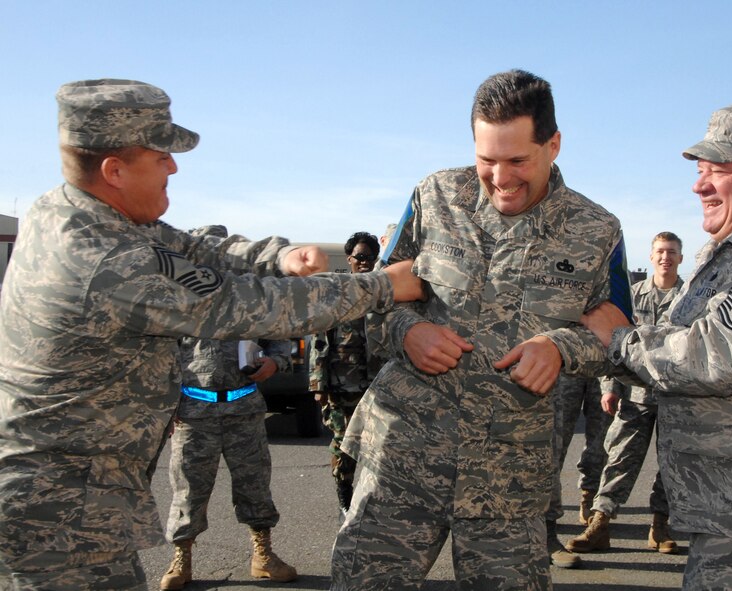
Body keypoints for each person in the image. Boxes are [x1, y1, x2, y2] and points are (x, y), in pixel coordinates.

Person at [0, 78, 423, 591]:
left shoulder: (72, 212)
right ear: (114, 171)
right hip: (58, 514)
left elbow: (190, 245)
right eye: (161, 157)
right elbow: (243, 306)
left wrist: (277, 256)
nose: (173, 167)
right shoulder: (107, 262)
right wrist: (379, 287)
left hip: (74, 495)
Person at [330, 69, 633, 591]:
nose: (500, 177)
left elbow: (621, 338)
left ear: (553, 145)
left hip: (508, 478)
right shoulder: (435, 195)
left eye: (518, 160)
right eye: (486, 159)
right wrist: (406, 331)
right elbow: (379, 295)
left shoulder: (596, 229)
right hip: (403, 456)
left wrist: (560, 348)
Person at [582, 104, 732, 590]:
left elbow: (714, 358)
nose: (699, 185)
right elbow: (672, 353)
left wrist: (618, 339)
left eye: (717, 171)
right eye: (700, 171)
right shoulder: (730, 254)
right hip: (730, 507)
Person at [160, 225, 295, 591]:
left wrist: (274, 364)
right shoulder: (174, 300)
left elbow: (279, 339)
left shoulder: (247, 295)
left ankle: (262, 555)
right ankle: (182, 559)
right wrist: (164, 407)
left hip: (244, 408)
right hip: (193, 411)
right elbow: (158, 358)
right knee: (188, 490)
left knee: (254, 486)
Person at [567, 232, 684, 555]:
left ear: (680, 258)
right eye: (660, 251)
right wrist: (609, 387)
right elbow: (614, 342)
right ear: (651, 257)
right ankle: (600, 523)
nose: (666, 258)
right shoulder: (634, 296)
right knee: (618, 459)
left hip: (676, 396)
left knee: (671, 465)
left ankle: (660, 526)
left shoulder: (690, 298)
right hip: (635, 395)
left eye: (672, 252)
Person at [309, 231, 385, 519]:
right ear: (350, 259)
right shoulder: (337, 293)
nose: (365, 262)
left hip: (378, 385)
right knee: (344, 444)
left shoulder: (385, 293)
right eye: (360, 257)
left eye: (370, 257)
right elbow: (319, 340)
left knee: (381, 445)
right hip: (344, 384)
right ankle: (345, 498)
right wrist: (319, 384)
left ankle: (373, 503)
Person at [544, 375, 610, 569]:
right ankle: (544, 531)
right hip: (563, 364)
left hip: (604, 364)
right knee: (552, 448)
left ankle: (590, 500)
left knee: (602, 441)